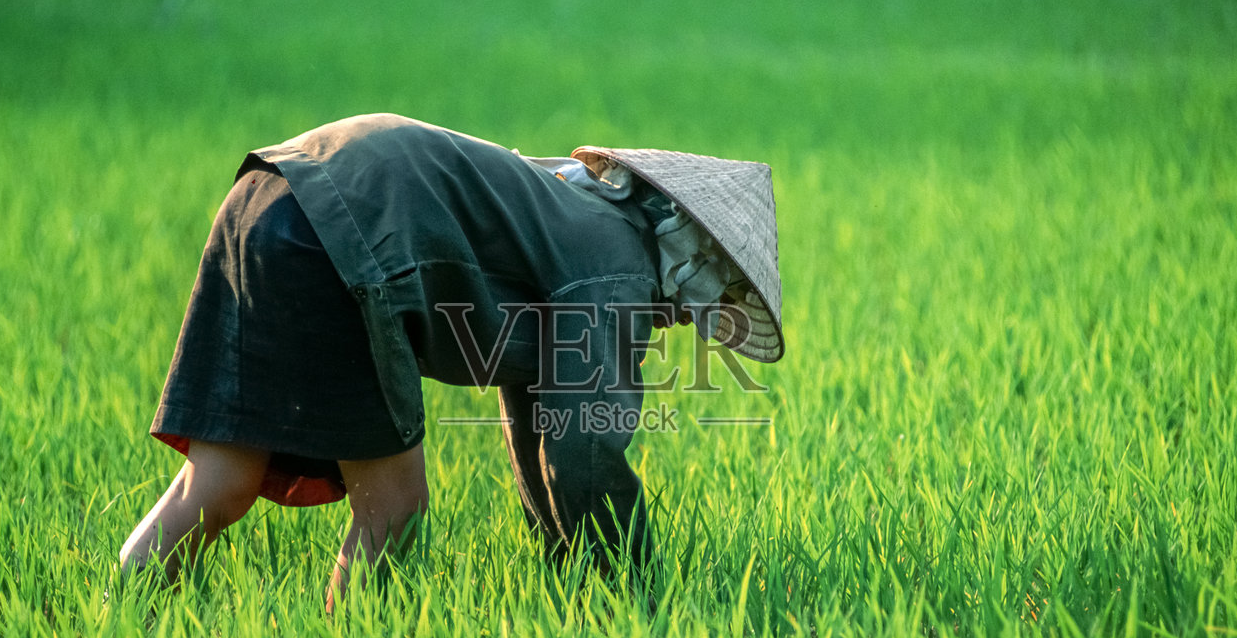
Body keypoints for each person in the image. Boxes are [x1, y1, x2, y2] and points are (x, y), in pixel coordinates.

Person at [118, 113, 784, 608]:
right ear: (692, 251)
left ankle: (117, 622)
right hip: (344, 230)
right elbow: (583, 450)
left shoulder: (572, 218)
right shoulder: (616, 268)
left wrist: (566, 566)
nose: (702, 318)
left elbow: (539, 426)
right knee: (393, 508)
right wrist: (634, 592)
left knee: (217, 485)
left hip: (271, 197)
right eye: (721, 292)